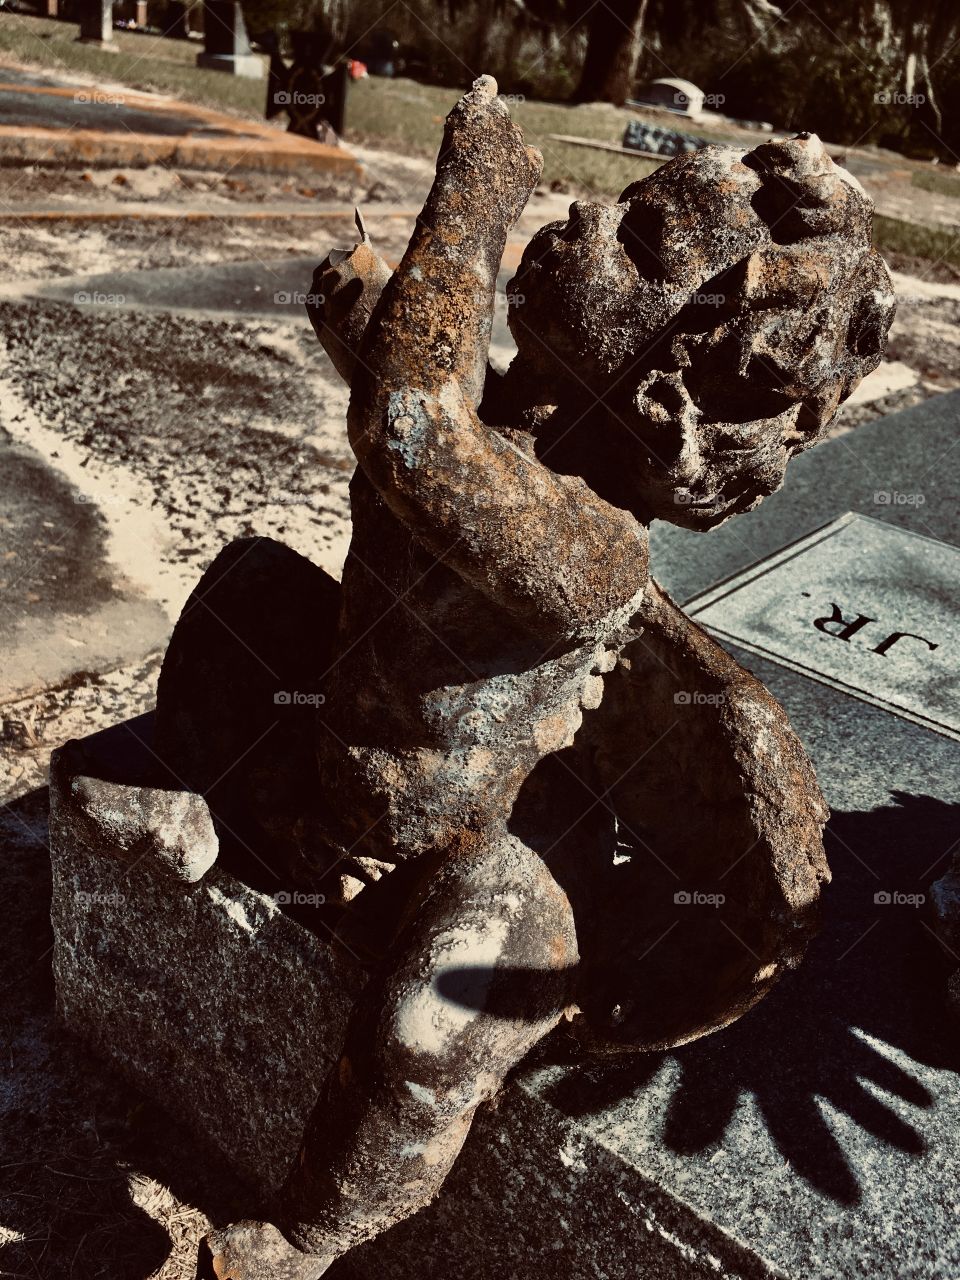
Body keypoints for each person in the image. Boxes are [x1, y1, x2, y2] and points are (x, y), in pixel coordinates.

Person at [198, 77, 893, 1278]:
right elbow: (416, 380)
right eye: (619, 204)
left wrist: (477, 187)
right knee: (246, 606)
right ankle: (249, 821)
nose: (585, 216)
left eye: (636, 240)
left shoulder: (589, 553)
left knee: (424, 1036)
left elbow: (415, 424)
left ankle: (306, 1235)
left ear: (665, 396)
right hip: (337, 771)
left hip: (460, 850)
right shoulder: (509, 428)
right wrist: (362, 309)